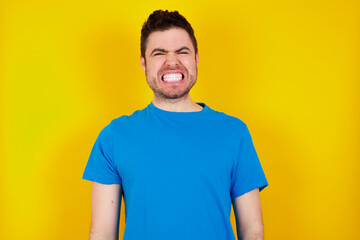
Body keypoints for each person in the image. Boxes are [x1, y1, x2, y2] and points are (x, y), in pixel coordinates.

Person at [82, 9, 268, 240]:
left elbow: (252, 230)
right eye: (159, 53)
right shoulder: (114, 137)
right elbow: (101, 233)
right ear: (143, 63)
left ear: (196, 59)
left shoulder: (234, 132)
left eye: (182, 52)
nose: (172, 62)